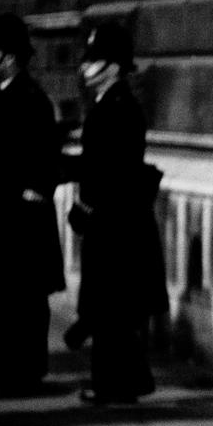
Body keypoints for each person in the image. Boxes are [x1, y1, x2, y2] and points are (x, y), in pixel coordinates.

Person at [67, 22, 159, 403]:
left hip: (114, 223)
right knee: (109, 306)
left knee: (110, 307)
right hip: (109, 220)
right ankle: (127, 380)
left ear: (114, 67)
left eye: (95, 60)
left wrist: (87, 207)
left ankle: (114, 385)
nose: (85, 68)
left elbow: (113, 173)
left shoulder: (119, 108)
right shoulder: (108, 105)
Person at [0, 13, 65, 391]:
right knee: (7, 297)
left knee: (24, 298)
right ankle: (10, 365)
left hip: (22, 219)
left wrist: (33, 193)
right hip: (3, 215)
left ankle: (25, 369)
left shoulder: (30, 99)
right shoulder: (1, 97)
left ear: (10, 57)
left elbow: (45, 159)